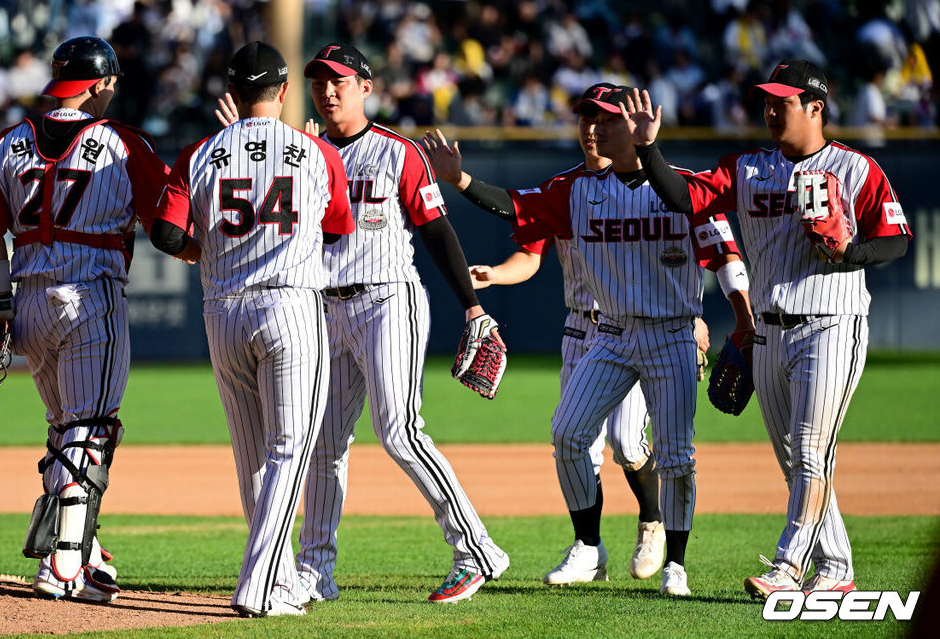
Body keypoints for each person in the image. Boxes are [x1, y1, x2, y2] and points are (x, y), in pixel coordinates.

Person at [423, 83, 752, 596]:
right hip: (609, 335)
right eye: (585, 119)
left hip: (670, 335)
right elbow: (513, 205)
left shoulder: (684, 189)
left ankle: (676, 561)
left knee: (672, 454)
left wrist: (741, 321)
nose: (592, 128)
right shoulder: (573, 191)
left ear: (634, 124)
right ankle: (589, 545)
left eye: (605, 119)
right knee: (568, 434)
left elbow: (725, 255)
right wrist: (461, 180)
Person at [624, 59, 912, 597]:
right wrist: (647, 150)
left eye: (783, 102)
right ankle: (837, 568)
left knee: (808, 450)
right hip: (768, 333)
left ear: (815, 108)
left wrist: (851, 252)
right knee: (795, 462)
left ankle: (788, 567)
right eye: (767, 101)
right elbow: (686, 198)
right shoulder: (748, 167)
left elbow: (896, 239)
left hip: (832, 323)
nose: (771, 110)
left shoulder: (856, 169)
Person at [295, 42, 510, 604]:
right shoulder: (304, 154)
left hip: (387, 299)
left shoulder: (398, 152)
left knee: (399, 431)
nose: (328, 90)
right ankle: (316, 570)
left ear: (366, 87)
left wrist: (473, 305)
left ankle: (476, 549)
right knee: (324, 443)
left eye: (340, 80)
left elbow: (437, 231)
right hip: (325, 307)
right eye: (319, 81)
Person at [149, 41, 354, 618]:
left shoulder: (199, 152)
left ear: (230, 94)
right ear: (285, 92)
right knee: (291, 451)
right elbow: (338, 229)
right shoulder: (316, 152)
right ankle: (260, 584)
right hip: (290, 307)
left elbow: (165, 235)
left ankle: (282, 580)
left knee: (253, 458)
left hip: (223, 311)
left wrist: (198, 250)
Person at [0, 35, 173, 602]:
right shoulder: (121, 144)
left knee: (66, 430)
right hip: (91, 294)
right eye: (112, 83)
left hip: (29, 299)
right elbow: (168, 223)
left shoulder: (8, 143)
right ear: (100, 83)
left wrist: (1, 303)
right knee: (92, 427)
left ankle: (82, 550)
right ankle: (62, 564)